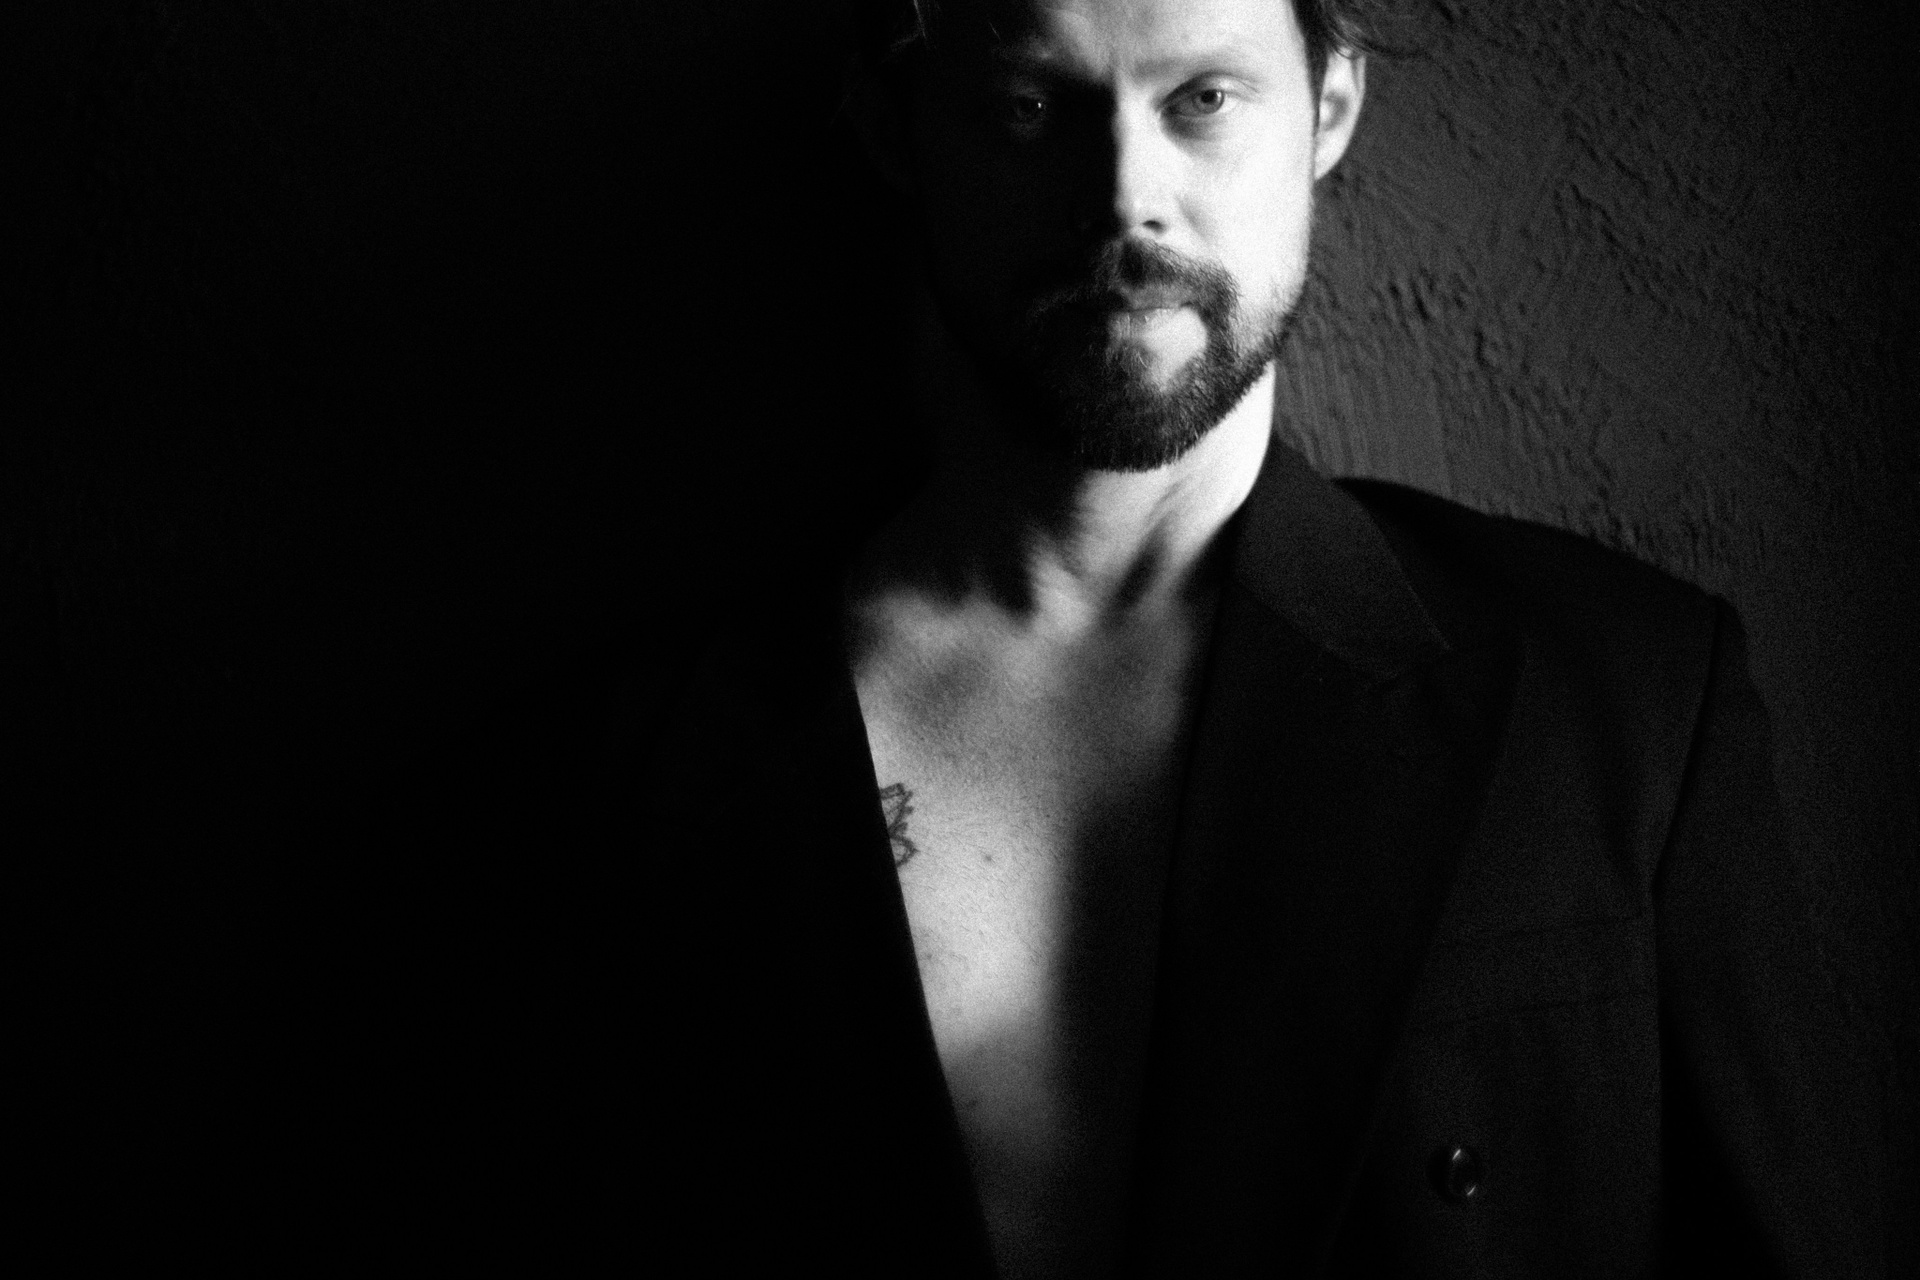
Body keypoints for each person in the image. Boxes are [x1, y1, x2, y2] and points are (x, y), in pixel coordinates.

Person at [332, 0, 1882, 1274]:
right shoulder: (616, 787)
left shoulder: (1619, 701)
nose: (1123, 198)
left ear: (1331, 107)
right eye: (1027, 108)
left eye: (1203, 100)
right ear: (898, 135)